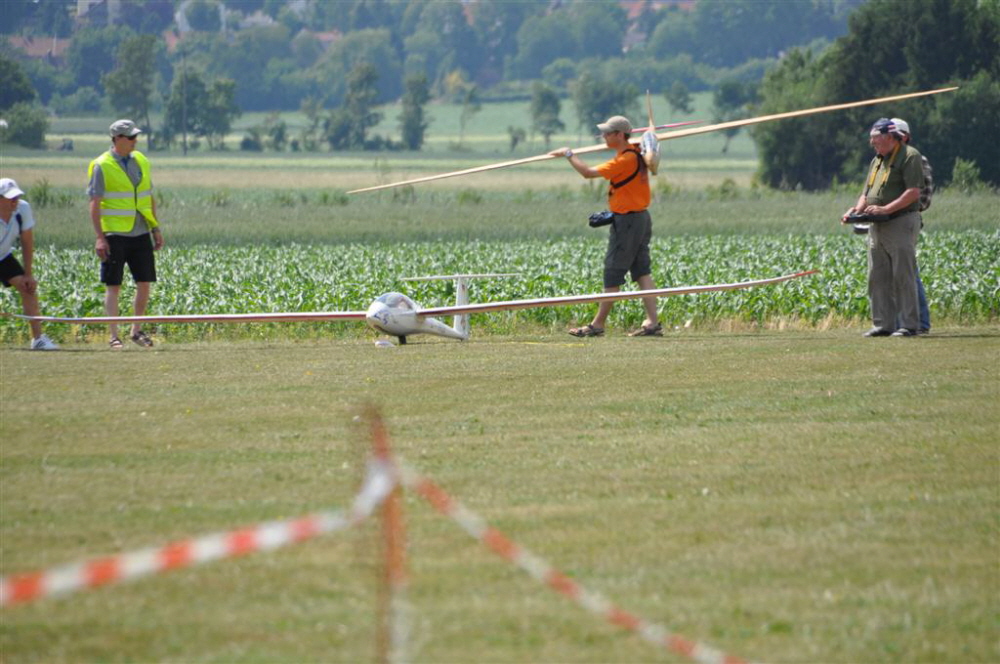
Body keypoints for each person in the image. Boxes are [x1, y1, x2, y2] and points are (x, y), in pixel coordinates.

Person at [550, 115, 662, 337]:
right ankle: (652, 323)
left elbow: (588, 173)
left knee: (613, 271)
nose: (603, 136)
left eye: (607, 133)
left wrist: (569, 154)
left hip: (628, 222)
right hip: (640, 218)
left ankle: (598, 325)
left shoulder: (625, 160)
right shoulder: (634, 152)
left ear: (619, 135)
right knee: (642, 272)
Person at [841, 118, 923, 337]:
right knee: (877, 276)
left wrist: (886, 208)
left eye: (876, 141)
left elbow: (913, 192)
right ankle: (883, 324)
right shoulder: (877, 159)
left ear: (890, 137)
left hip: (900, 221)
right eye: (872, 142)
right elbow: (866, 194)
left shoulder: (910, 156)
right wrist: (855, 211)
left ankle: (909, 325)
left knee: (903, 275)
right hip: (876, 224)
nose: (873, 145)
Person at [88, 119, 164, 349]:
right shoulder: (102, 165)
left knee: (144, 282)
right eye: (130, 137)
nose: (135, 141)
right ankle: (113, 335)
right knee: (114, 285)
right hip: (114, 233)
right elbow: (95, 203)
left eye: (135, 137)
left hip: (140, 230)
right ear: (117, 138)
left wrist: (155, 227)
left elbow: (148, 196)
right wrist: (100, 237)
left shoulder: (141, 160)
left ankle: (136, 330)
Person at [0, 178, 59, 350]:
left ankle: (38, 339)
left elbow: (27, 242)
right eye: (10, 198)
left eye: (16, 197)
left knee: (28, 288)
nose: (15, 201)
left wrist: (28, 274)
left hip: (4, 256)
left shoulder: (23, 209)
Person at [889, 118, 931, 334]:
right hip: (888, 224)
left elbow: (923, 199)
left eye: (894, 135)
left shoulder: (916, 159)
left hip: (904, 222)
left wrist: (895, 210)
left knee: (907, 273)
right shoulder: (886, 160)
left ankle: (920, 322)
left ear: (904, 136)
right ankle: (900, 322)